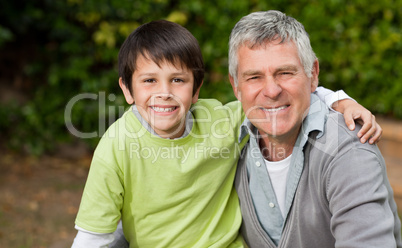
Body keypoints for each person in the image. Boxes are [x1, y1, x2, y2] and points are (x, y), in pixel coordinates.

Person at [71, 19, 382, 248]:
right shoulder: (117, 145)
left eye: (178, 80)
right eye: (149, 81)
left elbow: (279, 97)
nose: (164, 93)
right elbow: (93, 236)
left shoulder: (219, 120)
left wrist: (339, 100)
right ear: (127, 89)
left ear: (196, 90)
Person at [229, 10, 402, 247]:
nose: (271, 91)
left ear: (313, 74)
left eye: (285, 73)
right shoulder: (229, 142)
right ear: (236, 86)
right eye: (254, 77)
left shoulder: (347, 150)